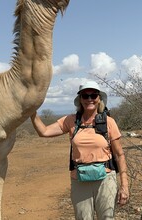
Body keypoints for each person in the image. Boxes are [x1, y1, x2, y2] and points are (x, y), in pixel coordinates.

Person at [30, 81, 129, 220]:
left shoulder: (109, 122)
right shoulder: (71, 121)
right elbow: (44, 131)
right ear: (80, 99)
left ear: (99, 98)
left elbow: (119, 155)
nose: (89, 99)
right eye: (85, 96)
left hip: (106, 179)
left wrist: (124, 186)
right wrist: (31, 111)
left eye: (93, 95)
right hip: (79, 180)